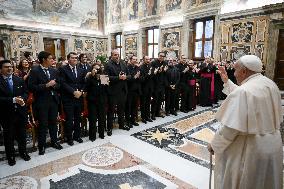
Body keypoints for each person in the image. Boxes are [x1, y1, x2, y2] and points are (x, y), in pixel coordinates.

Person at [207, 55, 283, 189]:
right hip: (272, 147)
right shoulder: (270, 84)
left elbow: (229, 129)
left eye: (235, 70)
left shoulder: (244, 91)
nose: (234, 73)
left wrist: (214, 145)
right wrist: (227, 81)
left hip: (250, 150)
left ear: (244, 71)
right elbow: (250, 98)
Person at [28, 51, 62, 155]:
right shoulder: (34, 71)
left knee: (53, 123)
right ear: (43, 59)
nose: (52, 60)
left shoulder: (54, 70)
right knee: (43, 125)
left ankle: (54, 141)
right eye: (50, 58)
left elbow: (59, 84)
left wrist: (55, 86)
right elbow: (31, 87)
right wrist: (46, 85)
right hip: (41, 102)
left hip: (53, 101)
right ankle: (41, 146)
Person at [0, 59, 30, 166]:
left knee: (22, 134)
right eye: (6, 67)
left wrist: (22, 98)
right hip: (6, 114)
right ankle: (11, 156)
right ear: (0, 69)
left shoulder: (19, 80)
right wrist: (13, 100)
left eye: (11, 67)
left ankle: (23, 152)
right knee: (9, 137)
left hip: (20, 113)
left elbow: (26, 93)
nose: (9, 68)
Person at [59, 52, 86, 146]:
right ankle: (69, 137)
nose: (75, 59)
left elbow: (84, 83)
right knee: (69, 119)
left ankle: (77, 136)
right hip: (68, 98)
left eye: (76, 58)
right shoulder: (63, 69)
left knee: (78, 118)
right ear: (68, 59)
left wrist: (81, 91)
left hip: (79, 98)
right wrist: (73, 92)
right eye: (73, 58)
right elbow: (63, 83)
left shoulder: (80, 69)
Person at [105, 49, 130, 136]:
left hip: (123, 91)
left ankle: (122, 125)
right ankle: (109, 128)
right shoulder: (108, 65)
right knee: (111, 111)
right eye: (115, 55)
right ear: (111, 56)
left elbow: (129, 75)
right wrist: (118, 78)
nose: (117, 56)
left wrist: (125, 77)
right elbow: (105, 78)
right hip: (113, 92)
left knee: (121, 110)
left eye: (118, 54)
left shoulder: (123, 63)